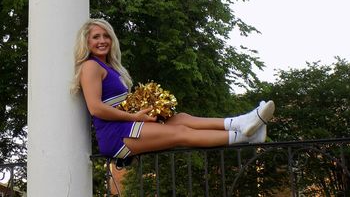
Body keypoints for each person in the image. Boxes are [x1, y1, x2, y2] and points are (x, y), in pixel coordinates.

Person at [71, 18, 275, 160]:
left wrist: (148, 109)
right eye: (96, 37)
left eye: (106, 36)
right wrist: (134, 117)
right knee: (180, 132)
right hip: (115, 135)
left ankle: (240, 122)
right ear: (87, 42)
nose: (102, 41)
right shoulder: (90, 66)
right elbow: (95, 108)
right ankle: (246, 137)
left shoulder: (110, 68)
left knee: (181, 118)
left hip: (125, 125)